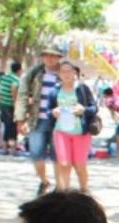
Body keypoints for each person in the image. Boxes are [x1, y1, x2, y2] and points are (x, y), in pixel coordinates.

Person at [16, 47, 64, 196]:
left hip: (59, 122)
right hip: (37, 120)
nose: (50, 59)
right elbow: (22, 95)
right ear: (43, 57)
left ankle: (59, 187)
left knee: (59, 155)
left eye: (53, 56)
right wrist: (20, 119)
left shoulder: (65, 72)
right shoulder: (34, 73)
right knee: (37, 154)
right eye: (47, 56)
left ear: (58, 58)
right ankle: (44, 181)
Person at [49, 61, 97, 192]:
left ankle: (84, 191)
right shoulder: (54, 91)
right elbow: (48, 112)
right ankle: (65, 196)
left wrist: (84, 109)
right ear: (59, 74)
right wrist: (53, 112)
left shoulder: (82, 89)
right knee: (64, 165)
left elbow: (94, 108)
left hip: (80, 132)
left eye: (69, 71)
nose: (66, 74)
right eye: (63, 71)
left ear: (74, 73)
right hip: (61, 132)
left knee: (80, 166)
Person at [0, 62, 22, 154]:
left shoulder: (4, 77)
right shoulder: (16, 79)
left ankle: (5, 148)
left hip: (3, 104)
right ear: (19, 70)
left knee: (6, 126)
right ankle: (11, 149)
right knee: (11, 127)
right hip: (10, 106)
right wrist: (16, 105)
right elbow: (14, 89)